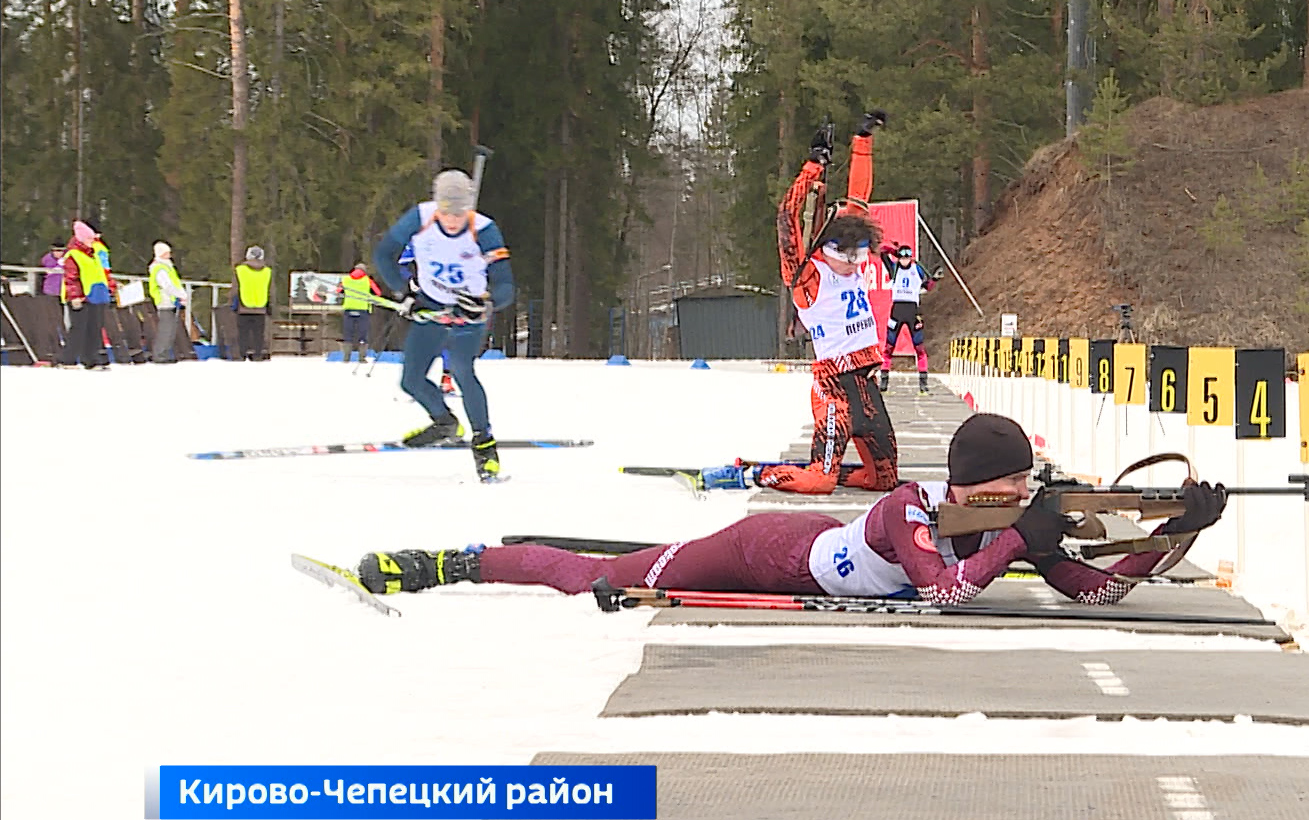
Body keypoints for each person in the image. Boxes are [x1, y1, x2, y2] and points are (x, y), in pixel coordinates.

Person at [358, 412, 1231, 603]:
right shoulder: (905, 509)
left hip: (816, 544)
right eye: (1000, 492)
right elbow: (944, 592)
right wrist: (1021, 541)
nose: (1013, 504)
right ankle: (453, 562)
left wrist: (1172, 535)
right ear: (965, 484)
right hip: (759, 550)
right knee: (595, 577)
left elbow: (1094, 589)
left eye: (1018, 491)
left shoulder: (998, 526)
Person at [705, 111, 899, 496]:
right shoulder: (808, 275)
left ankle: (815, 465)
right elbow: (788, 217)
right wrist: (813, 165)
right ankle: (755, 473)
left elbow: (859, 198)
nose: (854, 266)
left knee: (884, 480)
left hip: (866, 382)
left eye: (861, 257)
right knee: (820, 482)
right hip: (833, 386)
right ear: (828, 250)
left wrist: (862, 140)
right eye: (848, 256)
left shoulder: (848, 259)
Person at [372, 168, 515, 481]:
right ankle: (444, 423)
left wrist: (487, 302)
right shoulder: (419, 218)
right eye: (446, 213)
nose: (451, 220)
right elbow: (383, 255)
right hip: (431, 306)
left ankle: (485, 446)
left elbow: (506, 284)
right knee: (410, 380)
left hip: (468, 310)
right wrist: (405, 290)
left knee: (462, 370)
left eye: (459, 213)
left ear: (469, 207)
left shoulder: (484, 230)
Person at [880, 243, 938, 394]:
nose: (904, 260)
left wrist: (934, 280)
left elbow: (928, 284)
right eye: (901, 257)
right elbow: (882, 252)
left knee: (919, 348)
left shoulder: (917, 268)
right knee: (889, 347)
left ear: (911, 258)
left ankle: (923, 384)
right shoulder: (894, 268)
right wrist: (893, 251)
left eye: (907, 257)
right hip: (897, 310)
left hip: (913, 311)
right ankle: (884, 383)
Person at [58, 220, 116, 369]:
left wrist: (109, 288)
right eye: (90, 238)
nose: (93, 241)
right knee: (79, 328)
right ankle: (68, 359)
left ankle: (91, 359)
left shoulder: (94, 255)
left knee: (94, 328)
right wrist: (74, 297)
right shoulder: (74, 255)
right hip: (80, 297)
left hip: (95, 295)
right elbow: (71, 278)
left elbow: (102, 274)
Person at [148, 242, 190, 364]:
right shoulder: (160, 268)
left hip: (170, 300)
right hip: (165, 300)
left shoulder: (166, 267)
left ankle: (164, 353)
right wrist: (181, 294)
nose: (169, 255)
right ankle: (160, 355)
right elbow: (167, 285)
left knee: (170, 329)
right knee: (166, 329)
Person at [231, 246, 273, 361]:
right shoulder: (267, 271)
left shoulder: (241, 270)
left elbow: (236, 286)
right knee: (258, 334)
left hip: (244, 306)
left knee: (243, 333)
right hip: (260, 306)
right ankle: (258, 354)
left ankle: (242, 354)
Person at [339, 262, 382, 363]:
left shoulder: (346, 280)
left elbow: (338, 291)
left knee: (348, 334)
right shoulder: (368, 281)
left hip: (348, 309)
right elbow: (378, 293)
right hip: (363, 310)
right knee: (362, 334)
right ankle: (361, 358)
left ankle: (346, 358)